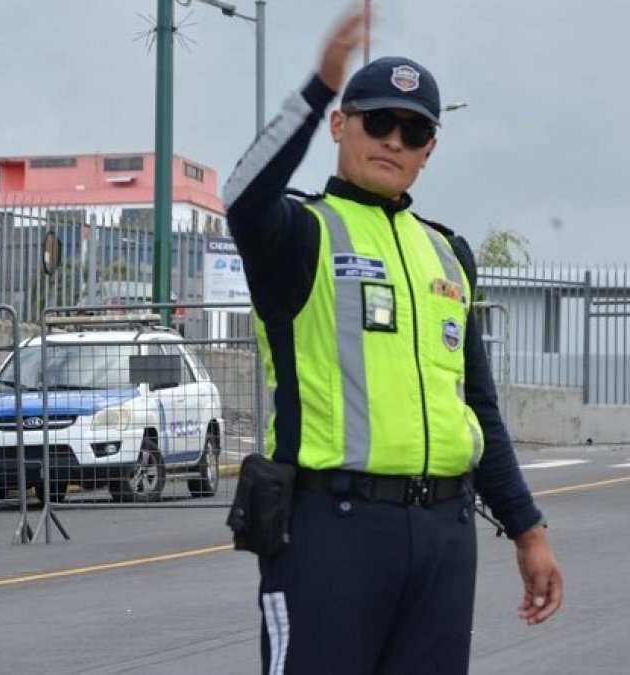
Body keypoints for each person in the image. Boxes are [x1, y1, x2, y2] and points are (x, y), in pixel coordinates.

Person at [221, 10, 563, 674]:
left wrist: (528, 529)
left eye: (414, 130)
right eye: (377, 120)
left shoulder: (448, 254)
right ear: (339, 126)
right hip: (329, 529)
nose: (394, 140)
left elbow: (480, 408)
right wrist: (321, 82)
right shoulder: (299, 235)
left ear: (430, 148)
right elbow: (241, 196)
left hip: (444, 531)